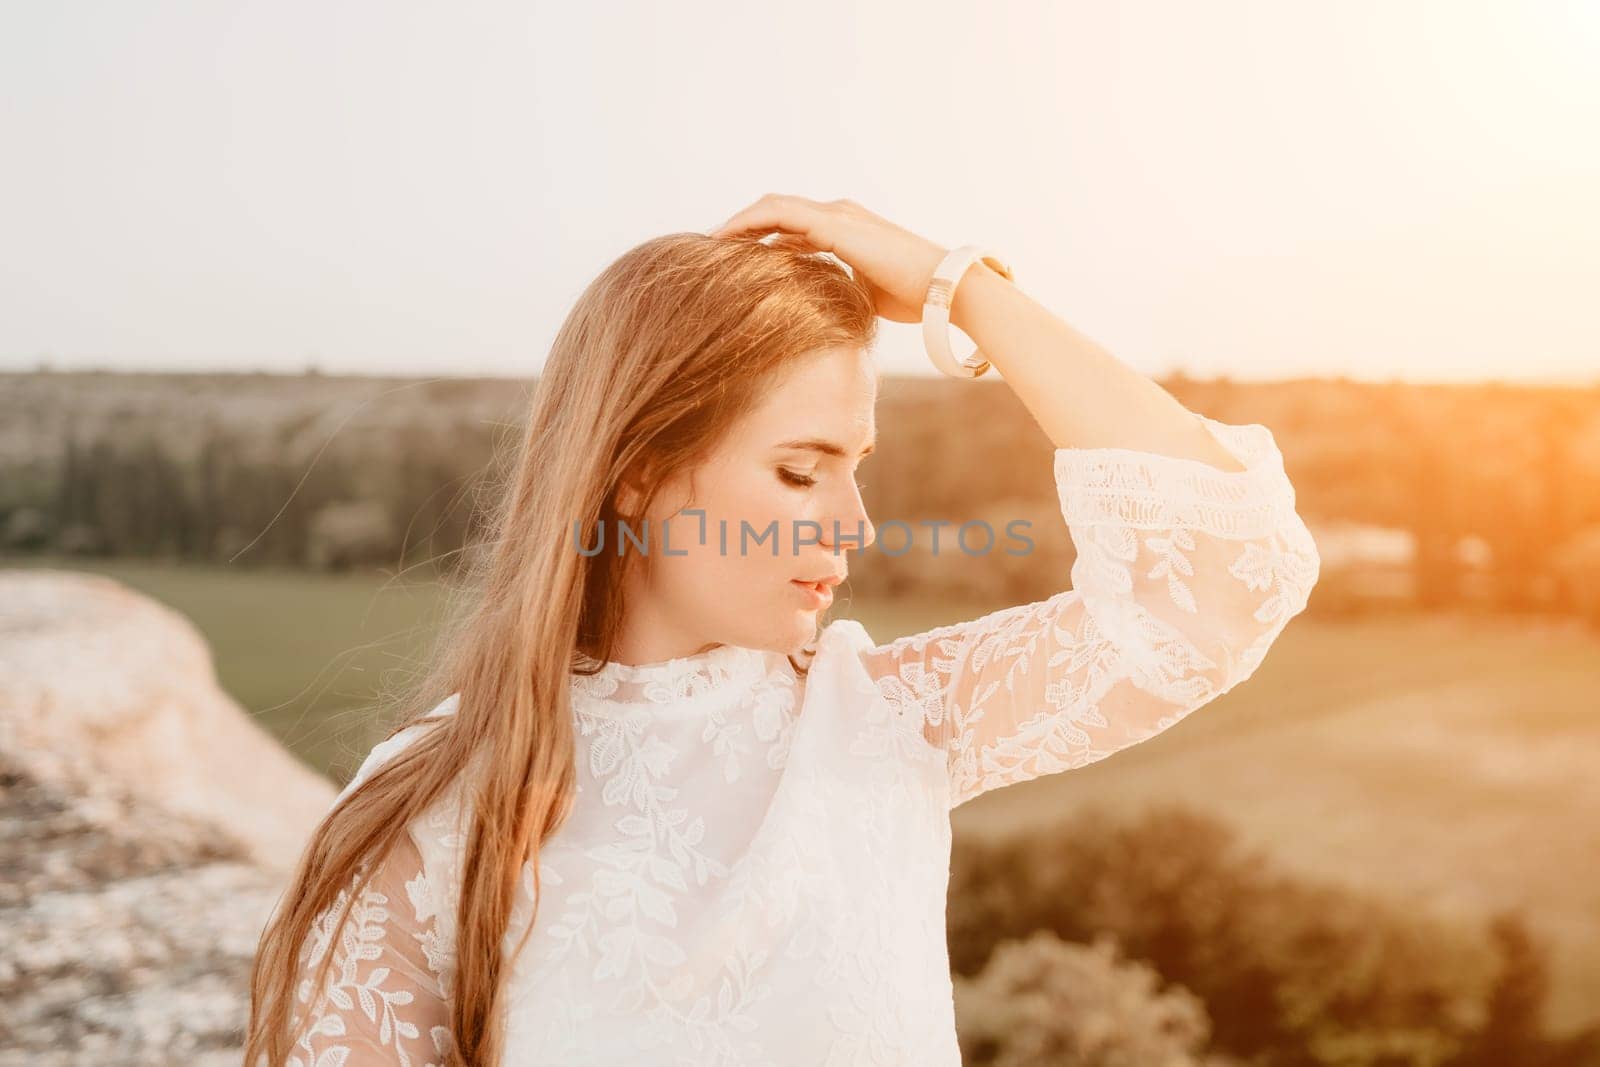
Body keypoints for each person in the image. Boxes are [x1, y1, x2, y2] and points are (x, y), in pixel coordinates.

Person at [244, 195, 1321, 1066]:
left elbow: (1219, 586)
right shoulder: (428, 811)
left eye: (857, 468)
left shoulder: (889, 721)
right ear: (638, 473)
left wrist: (962, 288)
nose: (852, 522)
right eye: (802, 470)